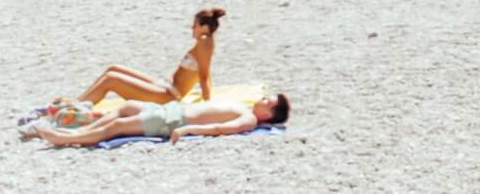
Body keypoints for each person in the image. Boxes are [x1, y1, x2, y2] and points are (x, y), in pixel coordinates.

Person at [72, 8, 224, 105]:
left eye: (195, 25)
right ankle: (79, 101)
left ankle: (77, 107)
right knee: (113, 69)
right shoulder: (204, 41)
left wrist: (207, 104)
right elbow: (205, 71)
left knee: (111, 79)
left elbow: (204, 75)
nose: (192, 28)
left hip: (168, 96)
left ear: (204, 27)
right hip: (165, 86)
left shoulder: (204, 42)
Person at [22, 94, 290, 148]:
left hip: (173, 119)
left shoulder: (248, 119)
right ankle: (79, 129)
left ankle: (66, 138)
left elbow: (220, 128)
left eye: (269, 101)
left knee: (116, 127)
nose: (264, 98)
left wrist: (187, 130)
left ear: (268, 114)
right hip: (172, 109)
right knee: (126, 107)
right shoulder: (246, 107)